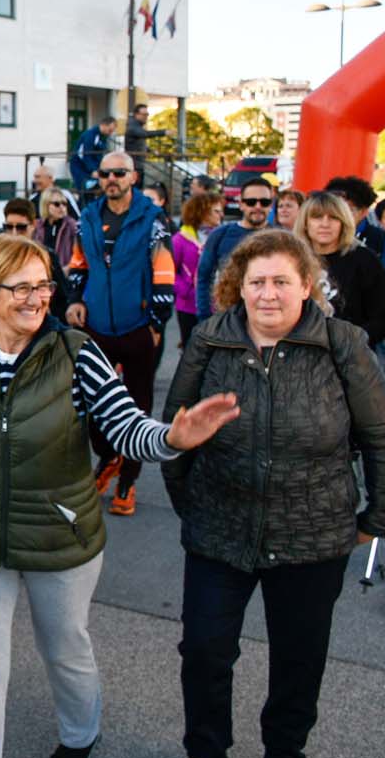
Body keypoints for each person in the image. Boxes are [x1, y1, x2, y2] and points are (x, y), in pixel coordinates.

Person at [0, 234, 236, 758]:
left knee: (64, 647)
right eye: (21, 287)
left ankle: (80, 734)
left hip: (60, 536)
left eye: (43, 284)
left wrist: (172, 437)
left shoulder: (77, 353)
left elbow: (123, 427)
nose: (37, 298)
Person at [155, 228, 385, 758]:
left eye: (281, 282)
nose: (267, 294)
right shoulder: (210, 342)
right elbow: (176, 433)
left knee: (298, 656)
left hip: (313, 533)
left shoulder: (342, 344)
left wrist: (378, 515)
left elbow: (382, 438)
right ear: (237, 287)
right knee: (205, 651)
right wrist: (194, 507)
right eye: (256, 282)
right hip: (220, 528)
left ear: (307, 286)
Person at [65, 150, 176, 517]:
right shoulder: (89, 217)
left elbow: (163, 271)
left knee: (137, 406)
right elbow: (79, 263)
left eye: (119, 173)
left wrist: (157, 322)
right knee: (93, 404)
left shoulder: (152, 219)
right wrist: (76, 299)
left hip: (138, 327)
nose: (111, 179)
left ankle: (128, 481)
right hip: (96, 325)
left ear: (133, 178)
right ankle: (109, 455)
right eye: (105, 173)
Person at [297, 192, 385, 348]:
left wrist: (349, 343)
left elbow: (382, 318)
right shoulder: (292, 260)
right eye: (317, 217)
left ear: (343, 223)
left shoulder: (365, 260)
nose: (325, 224)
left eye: (333, 218)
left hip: (353, 355)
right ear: (305, 223)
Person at [195, 177, 274, 320]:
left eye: (264, 202)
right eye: (251, 202)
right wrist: (205, 317)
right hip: (228, 319)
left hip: (269, 319)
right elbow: (204, 277)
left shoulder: (282, 237)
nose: (257, 206)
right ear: (241, 204)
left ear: (270, 205)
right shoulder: (220, 235)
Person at [326, 174, 385, 310]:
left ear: (363, 212)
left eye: (347, 209)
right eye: (334, 209)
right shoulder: (320, 239)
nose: (339, 215)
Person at [3, 198, 68, 320]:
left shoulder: (47, 257)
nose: (14, 233)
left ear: (33, 225)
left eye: (21, 228)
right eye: (8, 227)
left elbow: (62, 298)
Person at [172, 193, 223, 347]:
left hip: (218, 305)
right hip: (188, 307)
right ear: (202, 211)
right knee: (191, 350)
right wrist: (187, 291)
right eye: (216, 211)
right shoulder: (180, 240)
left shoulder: (222, 236)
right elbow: (171, 272)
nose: (221, 214)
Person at [69, 116, 116, 194]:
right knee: (84, 192)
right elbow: (85, 154)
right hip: (80, 167)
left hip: (90, 168)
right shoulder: (90, 135)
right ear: (104, 125)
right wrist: (92, 170)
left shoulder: (102, 137)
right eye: (110, 130)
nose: (110, 133)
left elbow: (99, 155)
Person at [32, 188, 76, 268]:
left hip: (64, 272)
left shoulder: (71, 225)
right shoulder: (38, 226)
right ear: (46, 205)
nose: (61, 207)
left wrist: (68, 269)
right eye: (57, 204)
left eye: (64, 204)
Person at [124, 103, 167, 178]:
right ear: (136, 114)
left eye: (147, 114)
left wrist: (150, 150)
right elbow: (144, 134)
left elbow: (138, 143)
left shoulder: (137, 126)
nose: (146, 117)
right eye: (144, 114)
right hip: (134, 164)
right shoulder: (132, 126)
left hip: (138, 163)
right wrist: (163, 132)